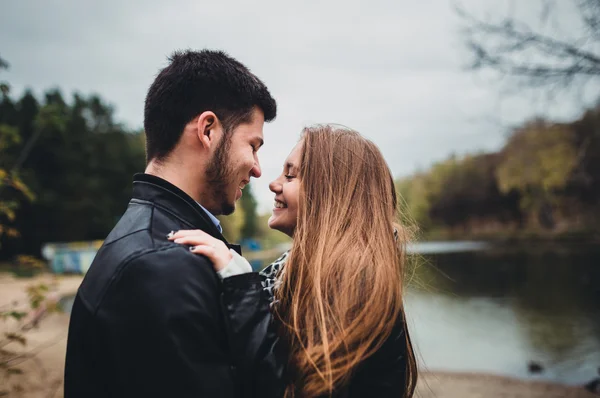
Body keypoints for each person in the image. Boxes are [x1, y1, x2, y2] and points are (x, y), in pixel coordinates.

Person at [64, 49, 277, 398]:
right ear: (208, 129)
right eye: (252, 146)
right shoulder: (162, 267)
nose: (256, 168)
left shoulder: (152, 241)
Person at [170, 125, 418, 397]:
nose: (273, 184)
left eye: (290, 176)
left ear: (330, 193)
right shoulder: (299, 275)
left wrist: (242, 289)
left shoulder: (354, 286)